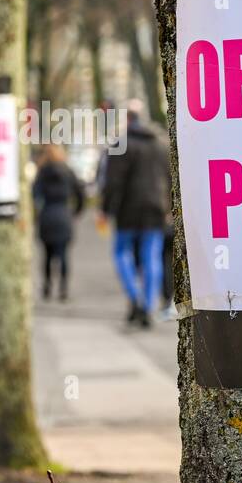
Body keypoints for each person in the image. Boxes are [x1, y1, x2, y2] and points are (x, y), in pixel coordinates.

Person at [100, 99, 171, 328]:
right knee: (152, 256)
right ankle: (148, 305)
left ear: (128, 120)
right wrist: (169, 208)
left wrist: (105, 209)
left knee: (122, 253)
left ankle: (136, 298)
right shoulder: (161, 144)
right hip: (156, 209)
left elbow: (112, 182)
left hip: (127, 210)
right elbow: (171, 179)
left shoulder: (121, 145)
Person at [32, 145, 84, 301]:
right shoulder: (68, 172)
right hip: (63, 215)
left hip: (48, 214)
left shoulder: (42, 172)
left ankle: (47, 286)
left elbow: (35, 195)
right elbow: (81, 195)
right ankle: (63, 288)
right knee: (63, 255)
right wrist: (75, 212)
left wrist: (37, 215)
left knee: (47, 255)